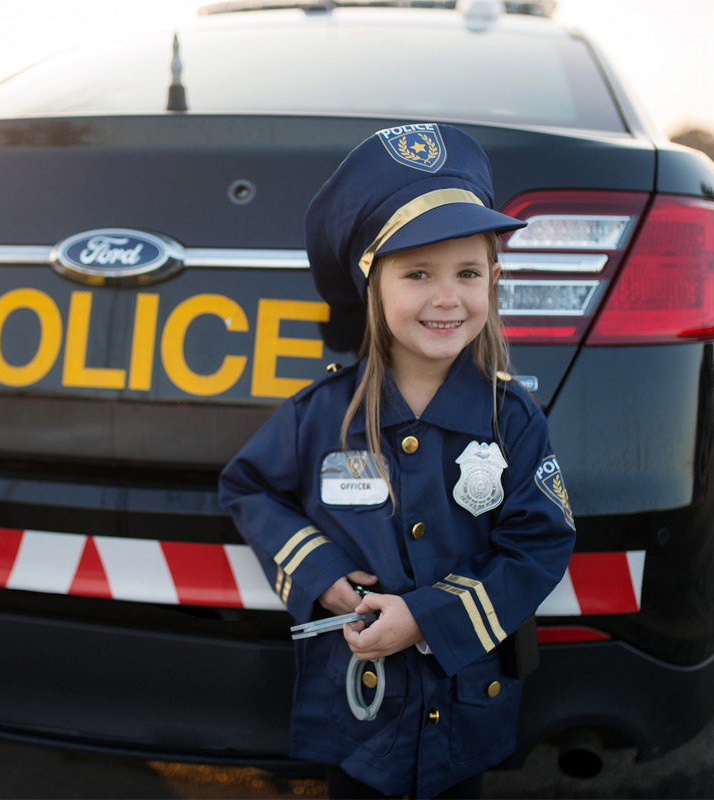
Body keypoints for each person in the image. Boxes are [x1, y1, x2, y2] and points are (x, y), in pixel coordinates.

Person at [218, 123, 576, 799]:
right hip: (356, 716)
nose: (447, 297)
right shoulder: (322, 414)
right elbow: (248, 487)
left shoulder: (512, 420)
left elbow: (540, 544)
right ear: (372, 286)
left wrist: (427, 620)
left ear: (493, 280)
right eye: (418, 273)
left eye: (468, 273)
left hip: (463, 711)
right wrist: (320, 574)